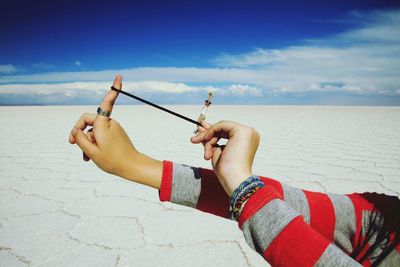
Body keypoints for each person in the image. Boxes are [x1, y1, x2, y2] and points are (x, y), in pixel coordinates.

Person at [69, 76, 400, 266]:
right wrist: (135, 164)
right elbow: (290, 207)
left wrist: (243, 184)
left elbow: (260, 204)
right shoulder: (386, 215)